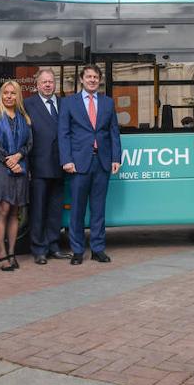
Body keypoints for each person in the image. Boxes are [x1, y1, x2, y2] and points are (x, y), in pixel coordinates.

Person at [58, 64, 122, 264]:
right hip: (78, 163)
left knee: (98, 209)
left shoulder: (108, 103)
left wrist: (116, 158)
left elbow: (114, 133)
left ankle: (97, 249)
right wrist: (66, 160)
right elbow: (64, 134)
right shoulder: (69, 103)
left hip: (102, 162)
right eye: (89, 77)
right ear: (82, 79)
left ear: (99, 80)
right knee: (77, 209)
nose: (92, 80)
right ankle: (77, 251)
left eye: (96, 77)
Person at [23, 68, 70, 264]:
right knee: (38, 210)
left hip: (60, 165)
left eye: (51, 82)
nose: (48, 85)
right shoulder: (27, 104)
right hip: (38, 166)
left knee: (55, 210)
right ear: (37, 85)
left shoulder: (63, 103)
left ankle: (53, 246)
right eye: (44, 82)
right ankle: (38, 249)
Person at [0, 80, 32, 270]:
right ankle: (1, 253)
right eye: (6, 93)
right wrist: (9, 161)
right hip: (0, 169)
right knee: (3, 210)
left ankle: (12, 252)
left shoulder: (24, 118)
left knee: (15, 212)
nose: (9, 96)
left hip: (20, 168)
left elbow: (29, 143)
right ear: (1, 95)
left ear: (18, 96)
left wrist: (19, 156)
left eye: (13, 93)